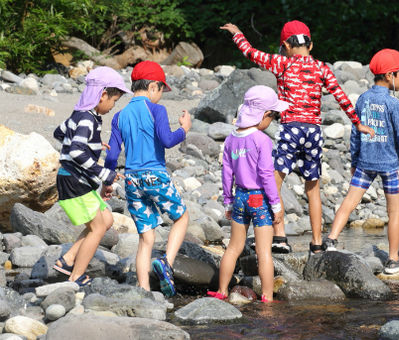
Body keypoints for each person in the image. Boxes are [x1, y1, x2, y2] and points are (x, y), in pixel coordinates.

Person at [221, 21, 375, 255]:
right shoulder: (322, 68)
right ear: (310, 45)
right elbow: (340, 95)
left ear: (285, 45)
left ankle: (280, 237)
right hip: (313, 131)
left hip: (291, 128)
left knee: (275, 181)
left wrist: (238, 35)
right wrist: (357, 122)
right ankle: (316, 243)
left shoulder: (281, 62)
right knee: (313, 187)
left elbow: (251, 53)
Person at [323, 48, 399, 274]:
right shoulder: (393, 104)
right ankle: (393, 259)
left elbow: (356, 132)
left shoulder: (363, 99)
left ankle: (330, 241)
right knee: (394, 212)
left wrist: (354, 159)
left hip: (365, 162)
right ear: (389, 76)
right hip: (390, 166)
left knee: (348, 202)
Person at [104, 60, 192, 296]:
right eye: (162, 89)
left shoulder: (119, 116)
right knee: (181, 217)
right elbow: (167, 140)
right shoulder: (156, 110)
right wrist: (184, 129)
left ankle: (143, 291)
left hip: (131, 180)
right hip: (155, 175)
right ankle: (167, 262)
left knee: (146, 237)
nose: (161, 96)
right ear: (153, 86)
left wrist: (107, 181)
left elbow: (112, 154)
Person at [52, 66, 131, 286]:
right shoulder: (87, 119)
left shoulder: (80, 115)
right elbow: (76, 151)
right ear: (102, 95)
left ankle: (67, 259)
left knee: (106, 219)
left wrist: (93, 144)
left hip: (75, 179)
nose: (113, 106)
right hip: (73, 180)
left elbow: (59, 132)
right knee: (97, 227)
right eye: (114, 101)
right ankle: (76, 275)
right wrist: (102, 171)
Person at [208, 85, 287, 302]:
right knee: (264, 254)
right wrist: (276, 205)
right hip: (259, 199)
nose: (272, 121)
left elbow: (227, 172)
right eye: (273, 116)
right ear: (264, 114)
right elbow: (266, 175)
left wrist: (228, 202)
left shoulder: (232, 139)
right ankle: (267, 296)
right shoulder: (262, 140)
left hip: (240, 197)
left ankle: (222, 291)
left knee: (233, 248)